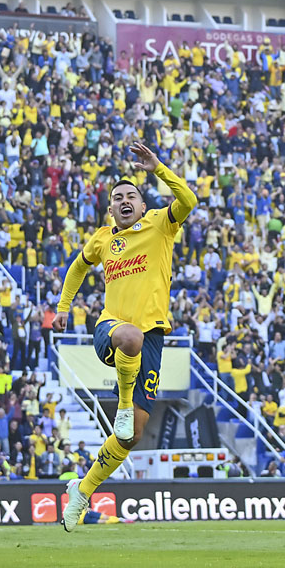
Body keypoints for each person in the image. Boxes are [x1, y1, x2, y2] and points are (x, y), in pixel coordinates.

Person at [53, 141, 197, 531]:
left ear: (142, 202)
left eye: (131, 194)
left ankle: (81, 490)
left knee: (132, 435)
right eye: (118, 198)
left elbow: (190, 198)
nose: (125, 200)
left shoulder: (160, 223)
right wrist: (64, 307)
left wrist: (158, 168)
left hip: (153, 338)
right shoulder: (103, 239)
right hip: (111, 327)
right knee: (128, 337)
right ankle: (122, 406)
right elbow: (77, 269)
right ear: (110, 209)